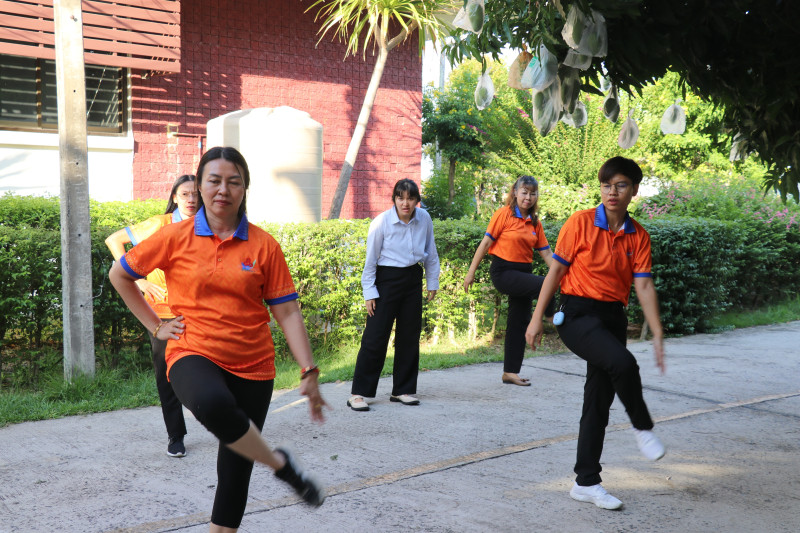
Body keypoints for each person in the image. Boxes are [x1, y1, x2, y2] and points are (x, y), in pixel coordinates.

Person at [109, 147, 328, 532]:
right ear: (200, 185)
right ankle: (281, 466)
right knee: (210, 403)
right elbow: (120, 274)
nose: (223, 189)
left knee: (234, 473)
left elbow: (288, 313)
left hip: (254, 366)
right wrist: (156, 326)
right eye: (214, 180)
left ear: (244, 189)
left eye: (233, 182)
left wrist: (308, 371)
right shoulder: (173, 237)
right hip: (192, 351)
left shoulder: (264, 246)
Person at [525, 156, 666, 511]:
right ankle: (642, 426)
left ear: (634, 190)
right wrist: (536, 317)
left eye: (620, 185)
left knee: (598, 400)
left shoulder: (638, 236)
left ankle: (586, 482)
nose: (612, 192)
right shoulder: (581, 222)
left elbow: (643, 285)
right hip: (577, 315)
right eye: (606, 186)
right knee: (624, 363)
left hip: (612, 318)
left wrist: (657, 332)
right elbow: (556, 272)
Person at [105, 174, 197, 458]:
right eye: (185, 194)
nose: (191, 199)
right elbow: (115, 240)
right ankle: (176, 436)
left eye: (196, 194)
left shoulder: (210, 226)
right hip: (164, 314)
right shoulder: (160, 224)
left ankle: (225, 422)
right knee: (165, 374)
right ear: (175, 198)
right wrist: (139, 281)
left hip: (201, 311)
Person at [347, 179, 440, 412]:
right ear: (394, 199)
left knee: (409, 336)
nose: (405, 203)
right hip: (386, 280)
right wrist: (369, 292)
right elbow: (370, 261)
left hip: (412, 279)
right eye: (400, 198)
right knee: (375, 337)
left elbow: (431, 252)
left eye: (410, 198)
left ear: (417, 200)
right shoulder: (381, 223)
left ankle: (402, 390)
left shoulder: (424, 219)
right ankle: (358, 393)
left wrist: (432, 281)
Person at [463, 175, 554, 387]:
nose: (528, 197)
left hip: (523, 272)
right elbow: (486, 243)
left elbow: (547, 254)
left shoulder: (535, 223)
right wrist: (471, 272)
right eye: (524, 192)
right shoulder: (503, 214)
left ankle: (510, 373)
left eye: (533, 193)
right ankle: (550, 318)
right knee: (544, 283)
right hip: (503, 272)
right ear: (515, 192)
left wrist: (565, 276)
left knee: (518, 323)